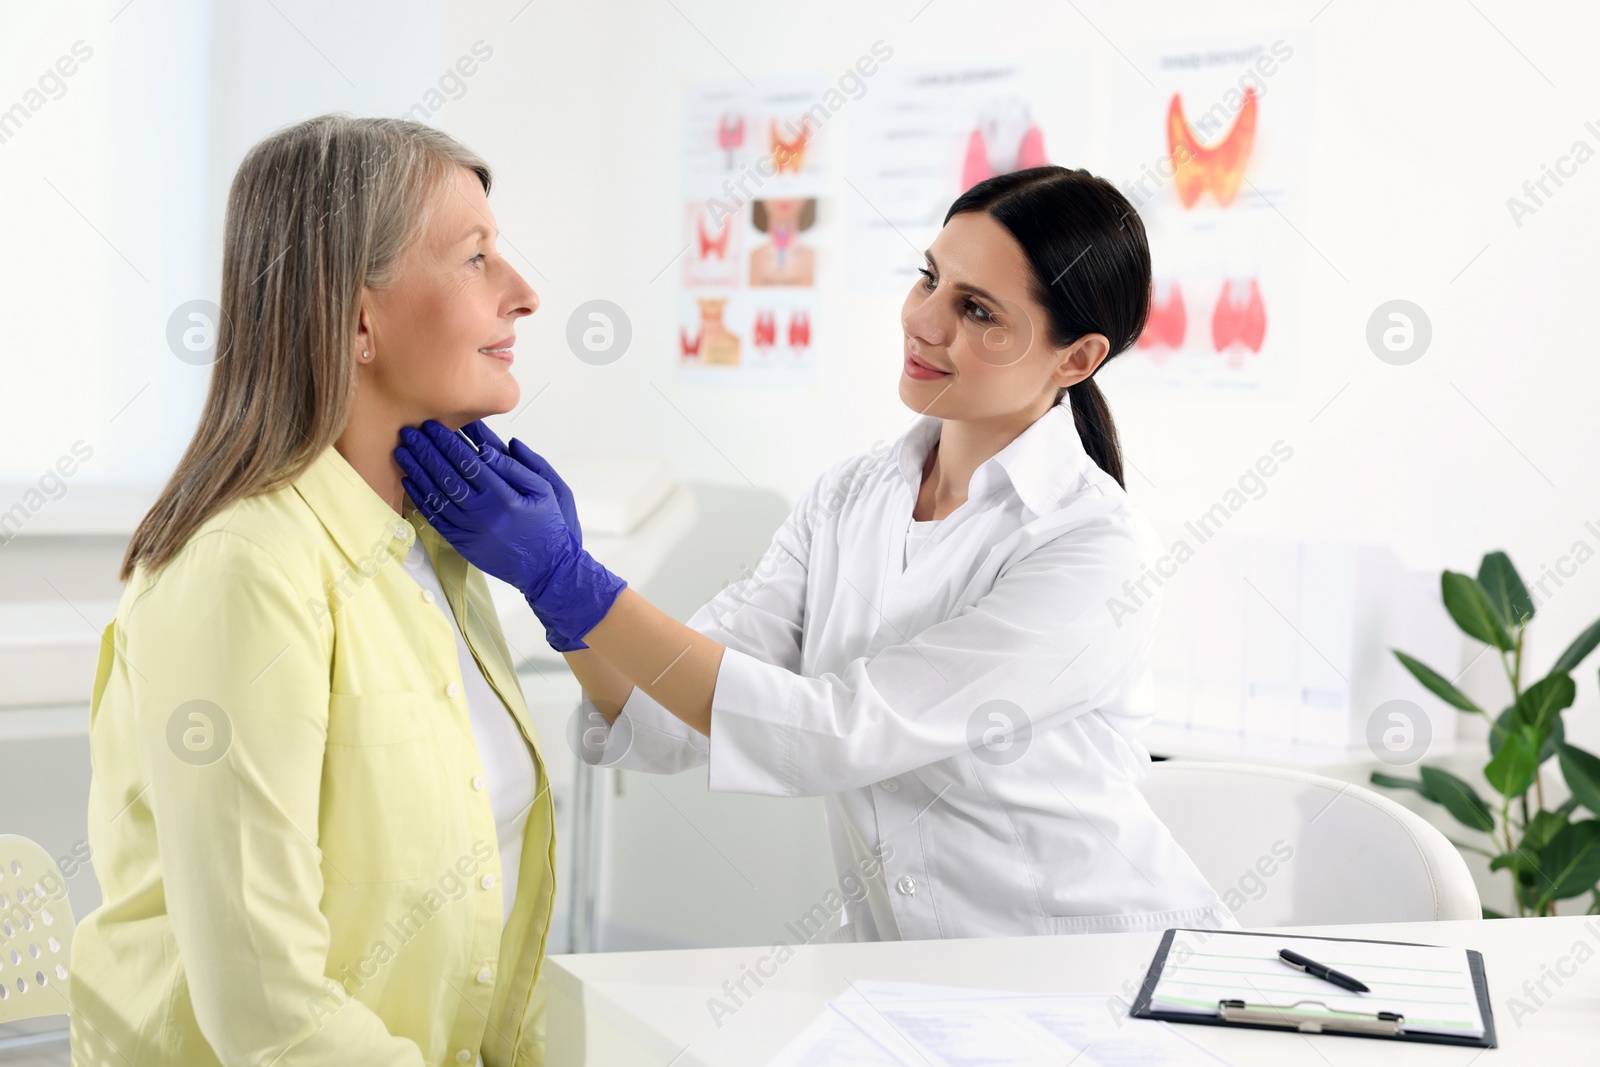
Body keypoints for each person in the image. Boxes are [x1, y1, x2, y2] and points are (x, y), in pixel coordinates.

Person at [399, 165, 1235, 943]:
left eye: (978, 311)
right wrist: (562, 599)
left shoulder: (1092, 548)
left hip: (1094, 971)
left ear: (1079, 357)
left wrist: (573, 581)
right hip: (913, 977)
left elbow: (842, 731)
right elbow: (662, 721)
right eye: (929, 276)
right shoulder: (850, 498)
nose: (925, 319)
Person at [71, 115, 555, 1065]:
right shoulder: (242, 571)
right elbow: (269, 1010)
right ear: (358, 317)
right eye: (475, 258)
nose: (525, 293)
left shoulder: (437, 553)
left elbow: (487, 932)